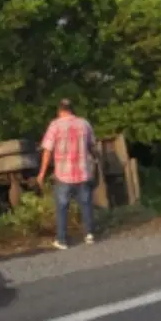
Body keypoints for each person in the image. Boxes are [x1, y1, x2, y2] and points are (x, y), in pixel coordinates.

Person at [36, 98, 97, 250]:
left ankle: (62, 240)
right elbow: (92, 146)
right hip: (83, 172)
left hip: (63, 174)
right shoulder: (84, 123)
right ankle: (89, 234)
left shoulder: (55, 125)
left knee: (62, 207)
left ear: (60, 110)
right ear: (72, 109)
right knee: (86, 203)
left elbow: (47, 151)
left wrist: (42, 173)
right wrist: (95, 160)